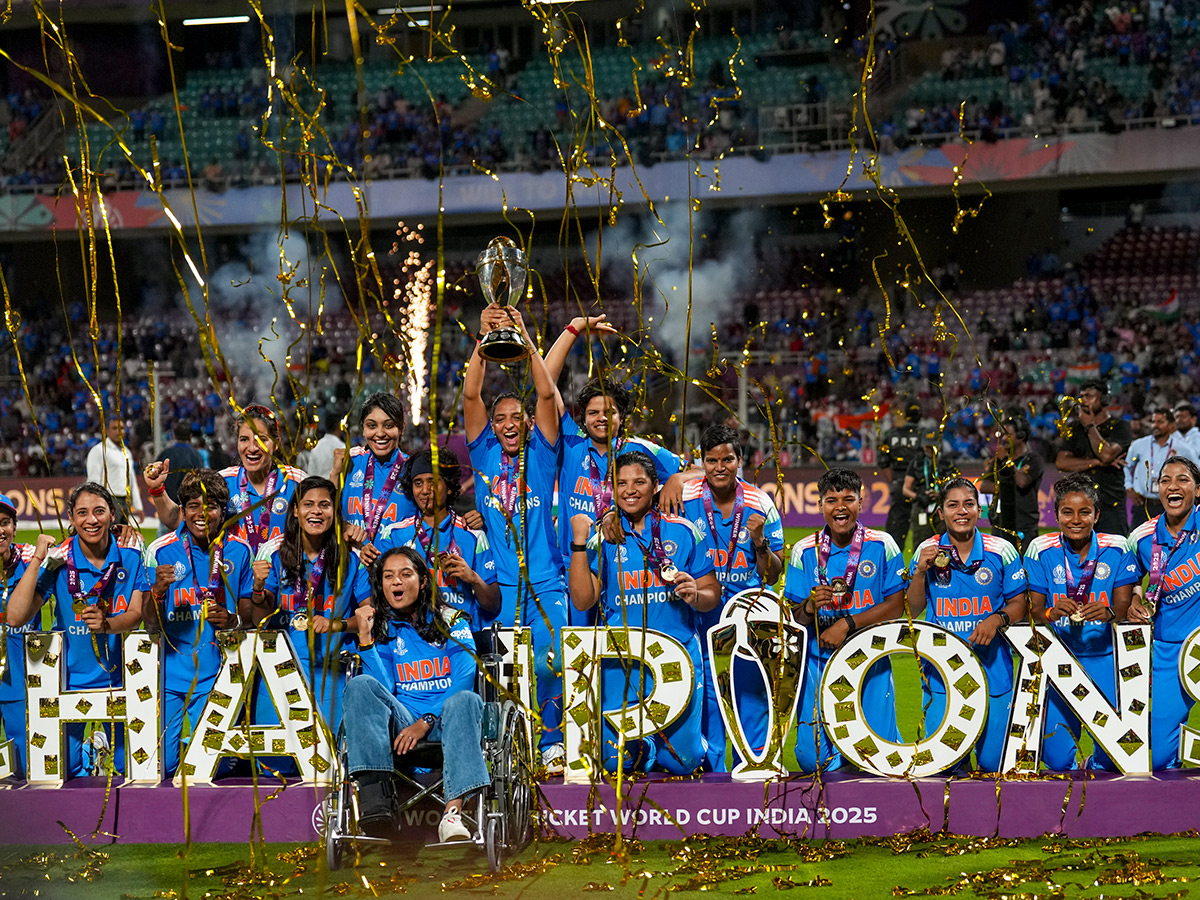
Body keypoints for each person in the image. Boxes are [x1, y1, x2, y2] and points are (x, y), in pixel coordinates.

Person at [569, 450, 720, 774]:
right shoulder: (604, 536)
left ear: (655, 486)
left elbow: (712, 595)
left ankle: (677, 746)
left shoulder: (683, 530)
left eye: (639, 481)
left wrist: (695, 594)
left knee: (684, 762)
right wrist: (579, 544)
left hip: (675, 656)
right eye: (621, 483)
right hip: (621, 661)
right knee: (613, 762)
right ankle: (643, 747)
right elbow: (583, 602)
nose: (630, 490)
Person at [464, 304, 567, 774]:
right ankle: (507, 746)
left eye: (515, 416)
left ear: (527, 423)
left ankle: (551, 742)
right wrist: (484, 340)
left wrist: (522, 335)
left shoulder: (544, 455)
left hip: (547, 585)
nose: (507, 423)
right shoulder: (484, 454)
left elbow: (546, 392)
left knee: (550, 666)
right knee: (502, 675)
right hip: (501, 591)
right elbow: (470, 395)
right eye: (500, 417)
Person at [543, 316, 697, 604]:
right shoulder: (570, 443)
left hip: (621, 568)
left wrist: (677, 477)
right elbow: (545, 385)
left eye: (609, 412)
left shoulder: (641, 450)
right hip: (569, 566)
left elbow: (699, 470)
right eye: (593, 413)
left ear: (621, 417)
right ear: (583, 418)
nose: (601, 418)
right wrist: (573, 329)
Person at [344, 546, 487, 843]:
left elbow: (464, 676)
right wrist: (366, 639)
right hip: (403, 722)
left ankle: (452, 816)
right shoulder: (382, 628)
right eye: (388, 576)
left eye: (405, 574)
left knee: (466, 699)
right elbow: (383, 689)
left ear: (423, 581)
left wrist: (426, 721)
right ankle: (376, 801)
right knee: (359, 685)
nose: (396, 582)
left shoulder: (451, 619)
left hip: (447, 719)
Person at [7, 483, 147, 777]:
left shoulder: (131, 558)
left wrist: (108, 625)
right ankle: (90, 751)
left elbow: (136, 615)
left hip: (119, 679)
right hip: (67, 682)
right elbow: (16, 617)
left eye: (99, 511)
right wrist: (37, 562)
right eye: (82, 513)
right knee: (64, 771)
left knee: (130, 769)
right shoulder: (59, 562)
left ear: (111, 514)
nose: (91, 520)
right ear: (71, 518)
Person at [784, 468, 906, 772]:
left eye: (848, 499)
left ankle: (867, 755)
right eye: (831, 500)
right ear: (820, 505)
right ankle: (845, 758)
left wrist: (847, 623)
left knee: (879, 756)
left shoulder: (883, 545)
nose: (840, 506)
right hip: (819, 661)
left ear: (861, 503)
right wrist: (810, 608)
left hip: (870, 661)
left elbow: (897, 605)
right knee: (811, 760)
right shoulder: (804, 550)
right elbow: (793, 617)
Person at [680, 423, 784, 771]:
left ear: (740, 461)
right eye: (711, 460)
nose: (719, 467)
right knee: (708, 699)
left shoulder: (760, 503)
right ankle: (713, 774)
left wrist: (759, 542)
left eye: (727, 459)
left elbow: (774, 573)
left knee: (749, 697)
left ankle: (753, 769)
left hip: (747, 618)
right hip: (699, 617)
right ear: (702, 462)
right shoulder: (686, 498)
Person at [907, 478, 1028, 773]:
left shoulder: (1002, 550)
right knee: (947, 766)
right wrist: (920, 573)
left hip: (994, 670)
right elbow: (912, 608)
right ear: (941, 513)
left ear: (979, 510)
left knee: (992, 765)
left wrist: (996, 618)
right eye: (953, 505)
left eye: (969, 504)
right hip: (943, 676)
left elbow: (1021, 604)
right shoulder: (927, 550)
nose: (961, 511)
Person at [141, 469, 255, 777]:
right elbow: (149, 624)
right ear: (183, 510)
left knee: (210, 771)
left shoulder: (240, 551)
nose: (202, 513)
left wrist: (234, 620)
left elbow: (249, 615)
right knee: (159, 767)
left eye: (211, 505)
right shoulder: (160, 551)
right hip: (170, 677)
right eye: (193, 505)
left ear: (223, 510)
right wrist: (157, 593)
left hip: (218, 676)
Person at [1024, 475, 1138, 771]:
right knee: (1057, 760)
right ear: (1056, 514)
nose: (1076, 520)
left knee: (1116, 756)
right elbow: (1031, 610)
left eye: (1084, 512)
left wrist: (1111, 612)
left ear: (1096, 515)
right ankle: (1077, 770)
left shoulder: (1118, 547)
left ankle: (1095, 771)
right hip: (1059, 660)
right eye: (1067, 512)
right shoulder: (1040, 548)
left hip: (1106, 659)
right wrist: (1050, 612)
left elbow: (1124, 605)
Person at [251, 476, 371, 733]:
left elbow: (369, 615)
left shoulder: (351, 557)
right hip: (281, 671)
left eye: (324, 505)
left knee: (329, 760)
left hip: (332, 675)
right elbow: (257, 618)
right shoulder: (273, 552)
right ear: (295, 510)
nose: (316, 511)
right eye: (308, 504)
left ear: (334, 512)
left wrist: (336, 624)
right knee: (276, 766)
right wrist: (258, 588)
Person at [144, 405, 306, 557]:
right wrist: (158, 490)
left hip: (282, 584)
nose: (252, 448)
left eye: (262, 439)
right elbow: (179, 519)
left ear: (276, 443)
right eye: (244, 439)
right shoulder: (223, 481)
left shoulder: (297, 482)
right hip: (233, 584)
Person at [1126, 456, 1200, 769]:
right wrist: (1134, 598)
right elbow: (1130, 580)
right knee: (1157, 758)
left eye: (1182, 479)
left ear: (1198, 490)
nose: (1173, 486)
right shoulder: (1141, 537)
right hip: (1170, 649)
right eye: (1165, 480)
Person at [376, 448, 499, 631]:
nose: (425, 490)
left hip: (462, 639)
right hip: (413, 640)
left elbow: (493, 605)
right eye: (418, 483)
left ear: (449, 487)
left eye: (433, 482)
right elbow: (381, 596)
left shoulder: (472, 535)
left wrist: (473, 578)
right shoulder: (393, 534)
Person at [332, 393, 415, 566]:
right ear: (363, 428)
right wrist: (334, 474)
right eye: (372, 426)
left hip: (394, 573)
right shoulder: (350, 462)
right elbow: (324, 514)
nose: (380, 433)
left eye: (389, 425)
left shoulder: (413, 470)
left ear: (402, 428)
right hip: (349, 569)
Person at [1056, 380, 1131, 536]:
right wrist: (1099, 462)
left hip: (1111, 505)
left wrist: (1090, 426)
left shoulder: (1120, 427)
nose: (1083, 401)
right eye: (1082, 396)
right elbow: (1061, 462)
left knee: (1114, 554)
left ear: (1104, 400)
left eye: (1089, 396)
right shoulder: (1074, 428)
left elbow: (1106, 454)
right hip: (1081, 506)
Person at [0, 495, 37, 777]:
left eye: (5, 523)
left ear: (14, 527)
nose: (0, 530)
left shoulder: (30, 559)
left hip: (20, 684)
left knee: (27, 770)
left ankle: (90, 751)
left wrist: (118, 531)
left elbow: (78, 547)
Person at [980, 416, 1044, 553]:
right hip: (1000, 525)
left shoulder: (1034, 459)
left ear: (1021, 436)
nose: (1003, 439)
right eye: (1002, 435)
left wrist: (1006, 461)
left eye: (1007, 434)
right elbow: (984, 486)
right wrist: (1006, 485)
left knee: (1025, 570)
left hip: (1023, 525)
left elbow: (1022, 482)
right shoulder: (999, 461)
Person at [1125, 409, 1199, 523]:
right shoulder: (1139, 445)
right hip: (1143, 504)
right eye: (1153, 421)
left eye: (1160, 422)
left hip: (1172, 503)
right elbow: (1126, 466)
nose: (1155, 425)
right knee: (1138, 539)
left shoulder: (1183, 448)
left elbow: (1196, 471)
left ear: (1171, 425)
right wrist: (1128, 487)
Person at [879, 401, 922, 551]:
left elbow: (883, 462)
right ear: (920, 416)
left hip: (899, 481)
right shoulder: (925, 435)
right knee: (924, 527)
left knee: (896, 527)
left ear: (905, 415)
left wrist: (897, 482)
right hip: (920, 486)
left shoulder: (891, 435)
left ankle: (892, 565)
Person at [86, 413, 144, 525]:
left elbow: (131, 479)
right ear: (106, 431)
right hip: (108, 500)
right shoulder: (99, 451)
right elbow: (93, 480)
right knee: (108, 537)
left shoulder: (126, 451)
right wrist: (96, 505)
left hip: (125, 502)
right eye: (114, 428)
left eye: (121, 428)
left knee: (122, 538)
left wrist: (138, 506)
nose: (119, 431)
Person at [902, 429, 957, 546]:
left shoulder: (947, 462)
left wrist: (942, 494)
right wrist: (918, 496)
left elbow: (957, 487)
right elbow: (905, 489)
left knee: (947, 542)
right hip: (922, 506)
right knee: (921, 544)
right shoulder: (917, 462)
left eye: (932, 446)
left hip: (942, 507)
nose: (929, 449)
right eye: (927, 446)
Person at [154, 423, 204, 505]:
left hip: (167, 503)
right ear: (190, 437)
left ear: (174, 435)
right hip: (188, 504)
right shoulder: (196, 456)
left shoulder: (165, 454)